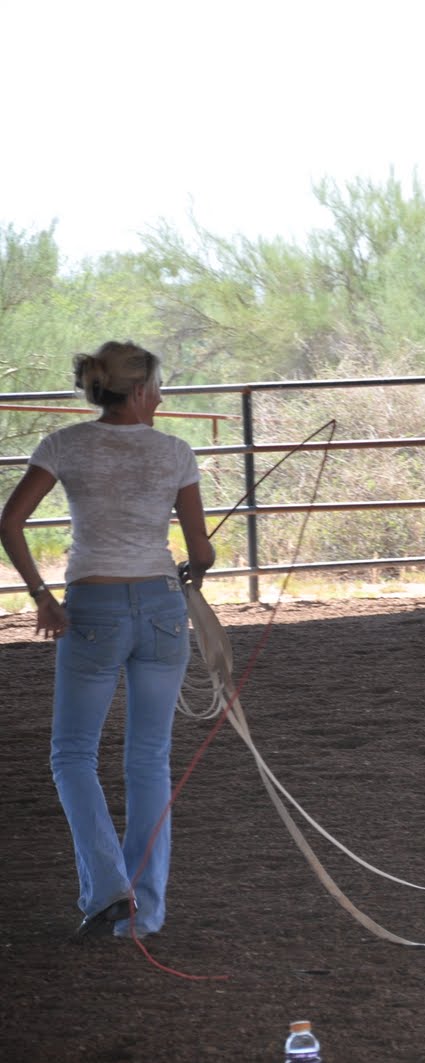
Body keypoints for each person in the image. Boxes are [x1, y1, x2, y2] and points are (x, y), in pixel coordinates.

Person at [0, 341, 213, 940]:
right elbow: (198, 553)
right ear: (141, 390)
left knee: (72, 754)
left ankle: (106, 889)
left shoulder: (64, 445)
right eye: (159, 387)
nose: (163, 397)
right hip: (162, 609)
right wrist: (202, 562)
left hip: (91, 608)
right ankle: (143, 912)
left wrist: (42, 596)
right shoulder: (175, 453)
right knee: (148, 758)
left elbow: (9, 521)